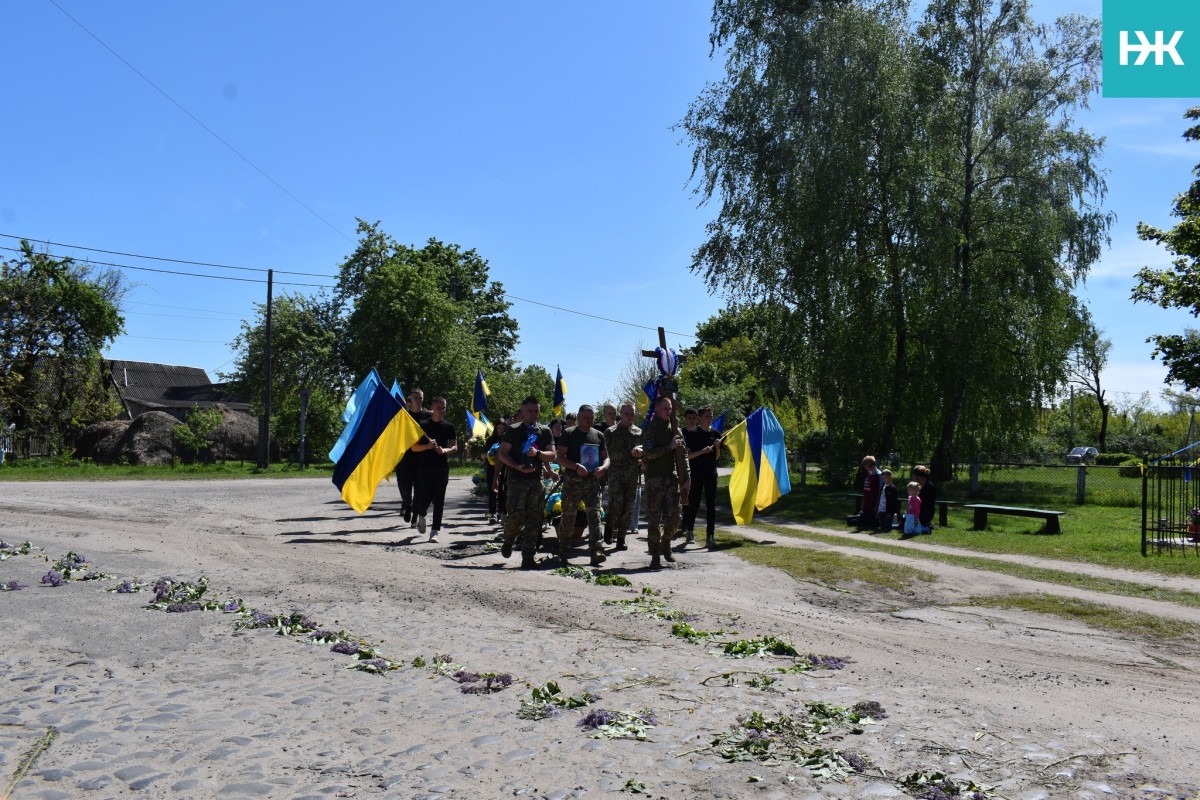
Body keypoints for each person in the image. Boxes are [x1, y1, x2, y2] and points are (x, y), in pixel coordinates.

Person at [498, 396, 557, 568]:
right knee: (515, 516)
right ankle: (509, 540)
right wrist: (517, 466)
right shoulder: (513, 430)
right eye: (530, 411)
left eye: (536, 411)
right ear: (523, 411)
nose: (533, 414)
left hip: (536, 480)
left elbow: (552, 455)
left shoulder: (544, 431)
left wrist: (538, 455)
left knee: (534, 519)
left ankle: (528, 556)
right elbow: (502, 453)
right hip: (517, 480)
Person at [556, 405, 610, 567]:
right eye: (586, 417)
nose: (589, 420)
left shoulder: (598, 435)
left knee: (595, 515)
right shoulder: (569, 433)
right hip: (573, 483)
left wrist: (604, 467)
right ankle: (564, 548)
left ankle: (596, 550)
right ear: (579, 417)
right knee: (569, 516)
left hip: (593, 482)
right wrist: (576, 467)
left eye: (592, 418)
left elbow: (606, 458)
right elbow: (560, 458)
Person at [641, 395, 690, 569]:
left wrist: (687, 478)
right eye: (664, 408)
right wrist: (668, 447)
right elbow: (647, 454)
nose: (668, 412)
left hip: (672, 479)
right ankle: (655, 554)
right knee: (654, 520)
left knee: (675, 516)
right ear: (656, 409)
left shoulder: (676, 428)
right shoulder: (649, 428)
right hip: (654, 480)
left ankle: (666, 542)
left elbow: (683, 455)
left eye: (670, 409)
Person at [411, 396, 457, 542]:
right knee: (425, 498)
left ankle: (435, 530)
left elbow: (455, 447)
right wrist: (428, 446)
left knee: (439, 499)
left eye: (443, 407)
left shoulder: (449, 426)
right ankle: (422, 515)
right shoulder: (422, 425)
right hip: (425, 467)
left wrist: (444, 451)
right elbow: (414, 447)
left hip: (441, 467)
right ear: (432, 407)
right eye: (439, 407)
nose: (441, 410)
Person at [603, 402, 642, 551]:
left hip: (632, 475)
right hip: (615, 474)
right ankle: (609, 528)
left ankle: (621, 539)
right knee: (615, 505)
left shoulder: (639, 432)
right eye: (626, 414)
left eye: (632, 414)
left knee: (628, 507)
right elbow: (604, 452)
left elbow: (645, 448)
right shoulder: (611, 432)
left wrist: (641, 451)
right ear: (621, 414)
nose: (629, 417)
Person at [682, 406, 722, 549]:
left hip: (711, 474)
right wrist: (701, 451)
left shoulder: (716, 434)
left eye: (711, 416)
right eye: (706, 416)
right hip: (696, 474)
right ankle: (690, 531)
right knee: (694, 504)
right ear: (700, 418)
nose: (709, 419)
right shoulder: (692, 434)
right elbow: (687, 456)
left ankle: (710, 536)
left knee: (711, 505)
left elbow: (717, 458)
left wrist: (717, 447)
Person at [396, 389, 432, 524]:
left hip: (423, 457)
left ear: (423, 399)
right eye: (415, 397)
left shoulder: (428, 416)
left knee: (420, 487)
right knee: (405, 485)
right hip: (406, 457)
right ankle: (407, 504)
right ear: (410, 399)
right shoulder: (405, 416)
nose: (418, 399)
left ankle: (415, 513)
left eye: (420, 397)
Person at [483, 418, 508, 525]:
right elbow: (484, 454)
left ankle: (502, 512)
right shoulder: (490, 440)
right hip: (491, 468)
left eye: (503, 428)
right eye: (499, 428)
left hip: (504, 468)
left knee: (503, 491)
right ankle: (492, 513)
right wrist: (490, 455)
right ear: (495, 428)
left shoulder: (507, 439)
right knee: (492, 490)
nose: (500, 430)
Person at [857, 455, 881, 530]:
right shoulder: (868, 474)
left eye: (865, 465)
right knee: (864, 522)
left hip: (873, 502)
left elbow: (880, 491)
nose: (865, 467)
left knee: (871, 523)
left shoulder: (879, 475)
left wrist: (877, 505)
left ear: (870, 465)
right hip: (867, 502)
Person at [913, 464, 936, 534]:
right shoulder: (916, 486)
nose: (913, 478)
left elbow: (928, 503)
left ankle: (925, 526)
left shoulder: (930, 487)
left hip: (926, 512)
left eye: (915, 476)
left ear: (919, 477)